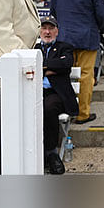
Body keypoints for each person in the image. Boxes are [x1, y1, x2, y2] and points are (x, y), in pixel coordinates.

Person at [50, 0, 104, 124]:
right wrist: (101, 30)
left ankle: (67, 108)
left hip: (65, 37)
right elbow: (100, 13)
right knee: (85, 76)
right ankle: (82, 113)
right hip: (87, 37)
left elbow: (53, 11)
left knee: (64, 75)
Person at [34, 16, 78, 175]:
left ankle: (51, 152)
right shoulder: (32, 48)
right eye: (44, 28)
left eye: (51, 28)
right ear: (39, 31)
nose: (47, 32)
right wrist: (51, 67)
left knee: (49, 107)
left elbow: (65, 64)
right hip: (34, 92)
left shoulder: (64, 47)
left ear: (57, 31)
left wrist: (41, 66)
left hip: (56, 93)